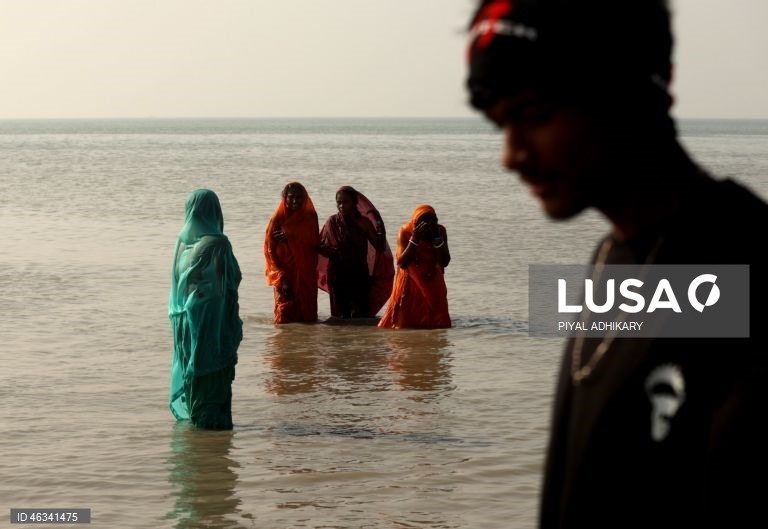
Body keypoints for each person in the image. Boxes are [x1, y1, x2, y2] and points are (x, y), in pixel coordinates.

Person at [466, 1, 768, 528]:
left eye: (534, 114)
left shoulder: (740, 267)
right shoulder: (614, 257)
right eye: (499, 123)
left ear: (623, 93)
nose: (511, 155)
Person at [168, 189, 243, 430]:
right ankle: (215, 450)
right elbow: (225, 287)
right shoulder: (218, 243)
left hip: (186, 327)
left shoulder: (184, 247)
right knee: (213, 380)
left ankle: (199, 450)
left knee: (196, 379)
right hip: (211, 324)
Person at [318, 186, 394, 319]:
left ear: (354, 203)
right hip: (337, 275)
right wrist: (332, 252)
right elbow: (320, 246)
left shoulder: (363, 223)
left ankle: (360, 339)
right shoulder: (332, 222)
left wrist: (380, 226)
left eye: (345, 202)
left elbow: (379, 247)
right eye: (339, 202)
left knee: (360, 314)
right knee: (340, 317)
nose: (341, 206)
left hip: (359, 274)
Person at [378, 205, 451, 329]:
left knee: (438, 323)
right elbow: (402, 263)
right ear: (415, 223)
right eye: (423, 222)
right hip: (410, 281)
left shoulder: (440, 231)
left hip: (432, 279)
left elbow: (444, 261)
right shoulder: (405, 232)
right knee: (405, 324)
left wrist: (437, 239)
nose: (428, 225)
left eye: (432, 221)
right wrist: (415, 239)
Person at [264, 182, 320, 324]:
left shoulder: (310, 217)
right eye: (291, 197)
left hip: (305, 273)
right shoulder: (278, 219)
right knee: (284, 315)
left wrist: (290, 236)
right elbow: (270, 250)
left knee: (307, 317)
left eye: (299, 197)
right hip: (285, 271)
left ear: (305, 198)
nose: (295, 201)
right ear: (285, 198)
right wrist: (281, 276)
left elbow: (314, 243)